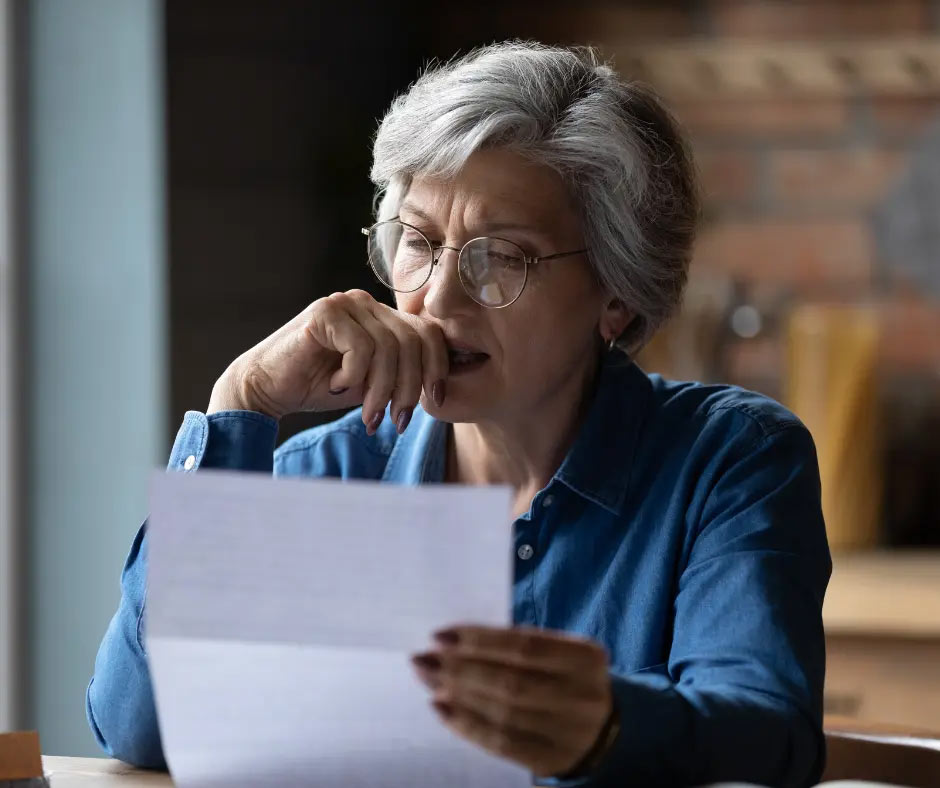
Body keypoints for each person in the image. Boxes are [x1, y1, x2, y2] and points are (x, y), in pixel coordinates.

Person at [86, 41, 831, 786]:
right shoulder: (328, 474)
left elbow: (768, 737)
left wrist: (606, 726)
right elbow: (139, 728)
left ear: (618, 292)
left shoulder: (730, 460)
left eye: (500, 257)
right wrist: (240, 401)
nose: (438, 300)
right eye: (418, 243)